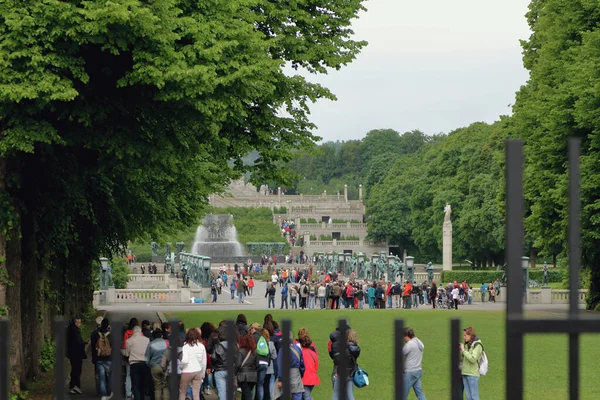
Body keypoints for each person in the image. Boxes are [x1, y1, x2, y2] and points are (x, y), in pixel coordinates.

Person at [329, 328, 360, 400]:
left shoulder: (345, 349)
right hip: (351, 373)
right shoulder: (356, 348)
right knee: (349, 394)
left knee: (336, 394)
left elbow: (337, 361)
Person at [274, 332, 304, 400]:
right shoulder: (297, 348)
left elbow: (280, 364)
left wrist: (280, 379)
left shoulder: (282, 349)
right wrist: (301, 374)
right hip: (296, 373)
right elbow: (302, 364)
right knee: (297, 393)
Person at [180, 327, 207, 400]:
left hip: (187, 371)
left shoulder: (186, 346)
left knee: (182, 392)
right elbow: (204, 362)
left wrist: (180, 367)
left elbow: (185, 360)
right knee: (196, 393)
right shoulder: (201, 346)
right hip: (198, 371)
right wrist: (203, 374)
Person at [125, 326, 150, 400]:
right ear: (141, 331)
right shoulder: (147, 340)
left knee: (135, 385)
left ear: (133, 332)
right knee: (142, 384)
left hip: (134, 364)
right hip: (144, 363)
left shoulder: (129, 340)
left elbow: (127, 354)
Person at [402, 328, 426, 400]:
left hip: (410, 372)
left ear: (406, 336)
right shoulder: (419, 342)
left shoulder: (409, 344)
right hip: (418, 371)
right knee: (420, 393)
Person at [460, 327, 483, 400]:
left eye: (465, 335)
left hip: (472, 374)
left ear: (470, 335)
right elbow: (466, 357)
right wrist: (461, 350)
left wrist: (463, 350)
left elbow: (473, 359)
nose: (464, 337)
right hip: (465, 373)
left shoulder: (477, 345)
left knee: (474, 397)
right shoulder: (468, 344)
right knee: (469, 397)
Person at [145, 328, 168, 400]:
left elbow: (146, 358)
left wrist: (150, 365)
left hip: (155, 366)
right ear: (161, 335)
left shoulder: (151, 344)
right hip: (165, 366)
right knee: (165, 386)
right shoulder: (166, 343)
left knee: (157, 387)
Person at [67, 316, 88, 394]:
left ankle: (72, 385)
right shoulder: (75, 331)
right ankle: (76, 385)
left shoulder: (70, 329)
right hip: (76, 354)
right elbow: (78, 343)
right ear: (77, 322)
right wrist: (84, 342)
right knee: (77, 369)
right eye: (80, 322)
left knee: (74, 369)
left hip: (71, 353)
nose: (80, 324)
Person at [236, 333, 258, 400]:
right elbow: (257, 364)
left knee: (247, 395)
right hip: (253, 376)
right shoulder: (255, 352)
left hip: (243, 377)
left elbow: (238, 364)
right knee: (246, 394)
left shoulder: (241, 351)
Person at [299, 335, 320, 400]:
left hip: (303, 379)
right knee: (305, 396)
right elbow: (316, 367)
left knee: (306, 396)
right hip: (312, 379)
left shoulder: (300, 353)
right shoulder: (313, 353)